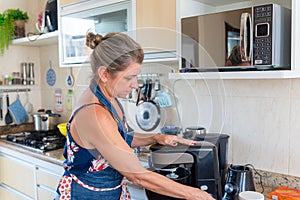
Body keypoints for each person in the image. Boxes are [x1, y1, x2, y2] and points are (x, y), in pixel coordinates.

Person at [55, 32, 214, 200]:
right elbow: (136, 174)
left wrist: (156, 137)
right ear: (104, 74)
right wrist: (195, 194)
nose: (135, 84)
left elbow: (121, 137)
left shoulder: (109, 97)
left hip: (110, 193)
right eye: (130, 77)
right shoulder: (94, 115)